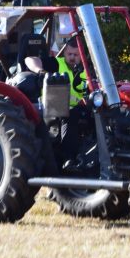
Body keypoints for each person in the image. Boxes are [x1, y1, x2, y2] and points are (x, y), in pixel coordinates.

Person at [25, 37, 88, 169]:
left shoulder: (87, 70)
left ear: (82, 55)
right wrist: (40, 71)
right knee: (71, 115)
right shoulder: (56, 63)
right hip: (54, 109)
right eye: (69, 54)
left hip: (81, 108)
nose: (71, 57)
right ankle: (68, 159)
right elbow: (29, 60)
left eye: (75, 55)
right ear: (64, 52)